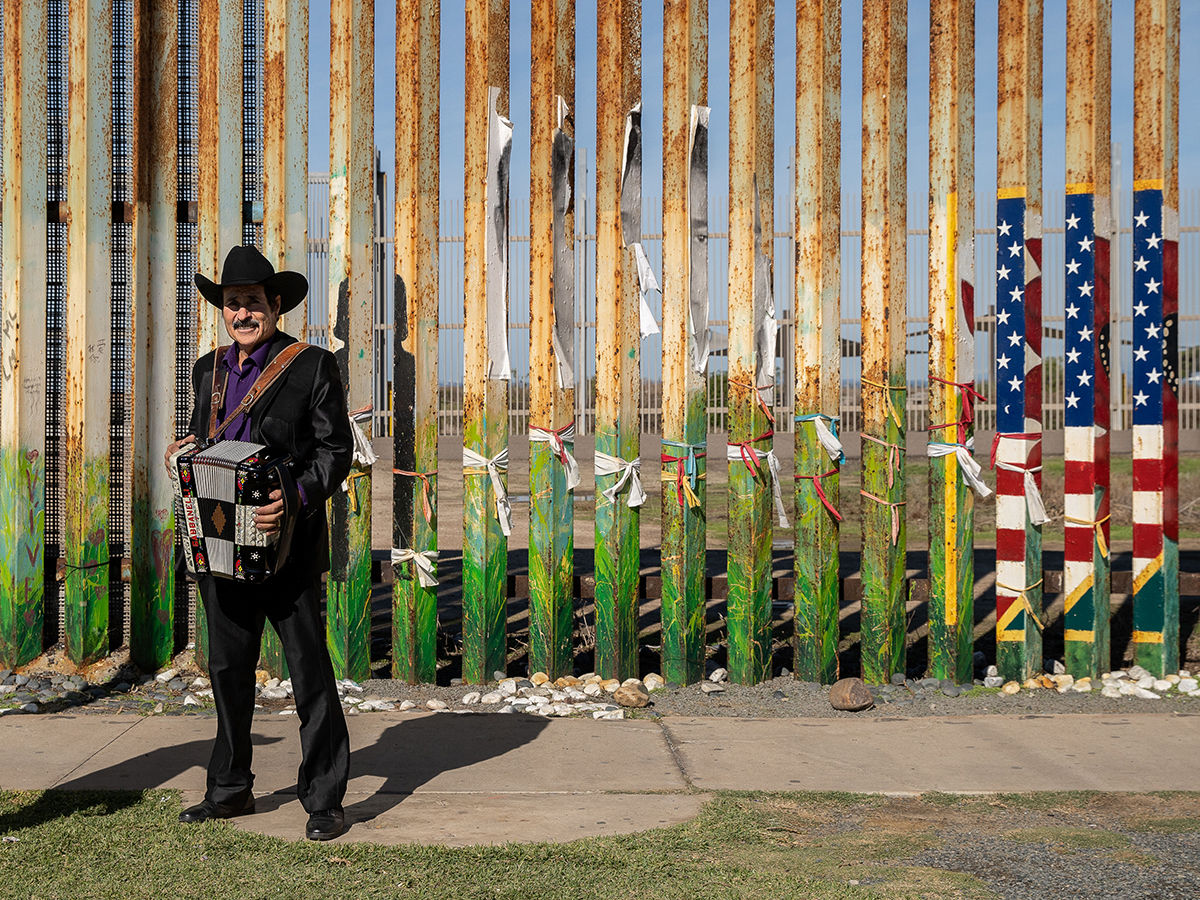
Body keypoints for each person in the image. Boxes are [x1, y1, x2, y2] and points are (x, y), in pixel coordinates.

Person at [164, 245, 353, 841]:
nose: (241, 313)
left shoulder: (314, 366)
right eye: (231, 303)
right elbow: (205, 436)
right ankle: (229, 789)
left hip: (286, 544)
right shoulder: (208, 367)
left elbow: (334, 453)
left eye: (252, 302)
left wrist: (290, 498)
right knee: (226, 668)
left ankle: (324, 798)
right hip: (220, 542)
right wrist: (183, 450)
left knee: (308, 672)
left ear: (276, 305)